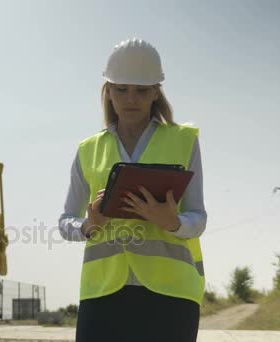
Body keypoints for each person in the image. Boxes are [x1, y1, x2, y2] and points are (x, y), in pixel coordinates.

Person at [59, 38, 207, 342]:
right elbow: (65, 221)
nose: (131, 99)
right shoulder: (88, 150)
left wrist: (173, 222)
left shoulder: (184, 141)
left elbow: (199, 216)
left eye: (141, 90)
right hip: (102, 292)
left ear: (156, 92)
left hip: (172, 293)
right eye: (122, 89)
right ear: (108, 91)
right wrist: (89, 226)